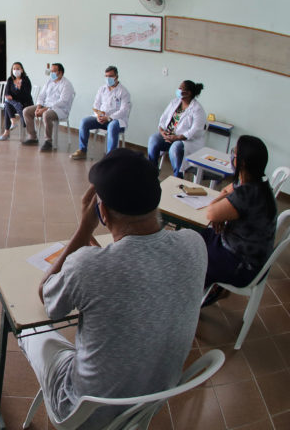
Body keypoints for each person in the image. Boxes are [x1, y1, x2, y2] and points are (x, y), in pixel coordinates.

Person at [22, 149, 206, 428]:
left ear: (102, 212)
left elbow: (48, 298)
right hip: (150, 403)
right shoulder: (195, 244)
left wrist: (84, 230)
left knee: (30, 331)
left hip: (84, 412)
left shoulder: (87, 266)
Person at [202, 135, 277, 304]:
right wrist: (222, 208)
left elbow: (211, 213)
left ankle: (194, 299)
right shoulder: (258, 184)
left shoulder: (249, 193)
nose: (232, 155)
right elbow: (229, 190)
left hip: (243, 265)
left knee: (194, 255)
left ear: (242, 162)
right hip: (238, 249)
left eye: (235, 152)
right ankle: (206, 290)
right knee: (197, 236)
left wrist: (219, 209)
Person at [147, 81, 206, 178]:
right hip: (168, 135)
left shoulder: (197, 109)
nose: (178, 90)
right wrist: (162, 132)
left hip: (185, 141)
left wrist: (177, 137)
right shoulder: (175, 102)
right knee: (153, 140)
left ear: (189, 93)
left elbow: (195, 130)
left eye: (181, 88)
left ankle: (177, 178)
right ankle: (152, 173)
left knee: (175, 148)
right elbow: (163, 118)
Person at [71, 66, 131, 159]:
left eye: (111, 76)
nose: (108, 79)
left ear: (116, 77)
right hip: (101, 118)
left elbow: (124, 110)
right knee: (84, 122)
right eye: (106, 76)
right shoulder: (102, 89)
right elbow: (96, 105)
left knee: (112, 126)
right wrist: (99, 116)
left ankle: (110, 157)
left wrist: (109, 118)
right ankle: (82, 150)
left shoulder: (123, 92)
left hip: (116, 120)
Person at [21, 63, 75, 151]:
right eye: (51, 71)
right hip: (45, 106)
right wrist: (38, 107)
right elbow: (41, 95)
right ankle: (32, 137)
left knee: (46, 114)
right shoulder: (49, 81)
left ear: (60, 72)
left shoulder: (66, 84)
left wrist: (45, 109)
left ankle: (48, 142)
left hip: (59, 109)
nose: (51, 73)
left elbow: (62, 102)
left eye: (54, 71)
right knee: (26, 111)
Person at [0, 62, 33, 141]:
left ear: (22, 70)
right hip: (14, 104)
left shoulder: (26, 80)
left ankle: (7, 132)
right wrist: (8, 95)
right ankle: (12, 122)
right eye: (14, 69)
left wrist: (18, 89)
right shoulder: (10, 79)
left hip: (25, 104)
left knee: (7, 105)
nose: (15, 70)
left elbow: (26, 95)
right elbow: (7, 92)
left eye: (18, 68)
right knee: (7, 104)